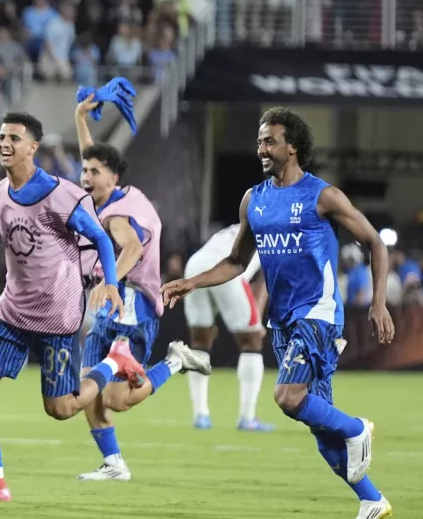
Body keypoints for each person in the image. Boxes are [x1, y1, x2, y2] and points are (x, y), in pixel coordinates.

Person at [161, 106, 396, 519]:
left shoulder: (323, 196)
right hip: (284, 321)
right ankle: (373, 499)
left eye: (270, 141)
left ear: (293, 146)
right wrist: (189, 282)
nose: (261, 148)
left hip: (318, 314)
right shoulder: (254, 199)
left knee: (288, 397)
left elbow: (375, 242)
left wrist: (377, 303)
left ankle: (358, 428)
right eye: (259, 141)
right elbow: (236, 262)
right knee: (321, 429)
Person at [0, 111, 146, 503]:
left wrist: (111, 283)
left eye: (13, 138)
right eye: (1, 137)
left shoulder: (59, 193)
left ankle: (114, 362)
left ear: (32, 147)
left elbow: (101, 238)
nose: (4, 144)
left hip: (57, 315)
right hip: (13, 311)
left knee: (61, 408)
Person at [73, 96, 210, 482]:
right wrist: (79, 117)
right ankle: (114, 464)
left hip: (133, 302)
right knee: (88, 390)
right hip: (112, 299)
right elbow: (94, 158)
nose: (85, 176)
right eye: (84, 170)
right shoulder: (112, 193)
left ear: (111, 178)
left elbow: (133, 247)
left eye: (92, 172)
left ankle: (174, 362)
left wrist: (108, 282)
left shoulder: (116, 214)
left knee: (116, 399)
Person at [183, 223, 275, 432]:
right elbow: (267, 279)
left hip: (195, 265)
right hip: (227, 268)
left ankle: (201, 414)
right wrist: (256, 322)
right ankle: (247, 417)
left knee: (199, 341)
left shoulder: (240, 224)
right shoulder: (277, 235)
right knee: (251, 341)